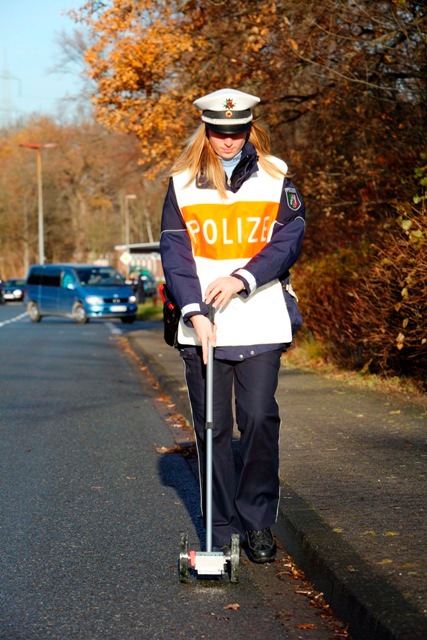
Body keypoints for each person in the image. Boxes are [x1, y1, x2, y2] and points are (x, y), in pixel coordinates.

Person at [160, 88, 305, 563]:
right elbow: (176, 254)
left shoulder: (275, 174)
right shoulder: (181, 182)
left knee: (259, 419)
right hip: (202, 326)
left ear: (249, 128)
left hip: (260, 316)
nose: (227, 140)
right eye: (219, 131)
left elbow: (289, 239)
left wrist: (243, 277)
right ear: (206, 128)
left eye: (236, 131)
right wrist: (194, 310)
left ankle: (258, 520)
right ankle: (219, 530)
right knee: (214, 428)